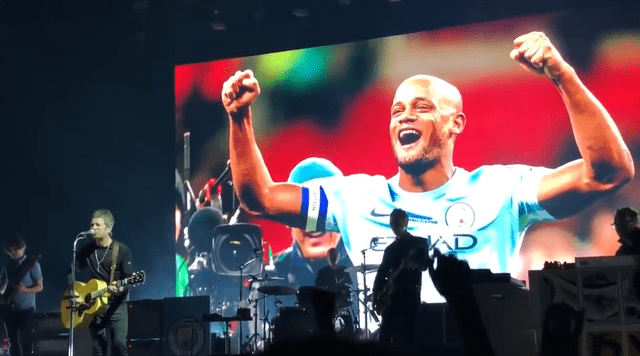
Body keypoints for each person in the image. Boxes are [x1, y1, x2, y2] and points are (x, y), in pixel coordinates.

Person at [221, 31, 635, 304]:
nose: (404, 117)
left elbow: (607, 172)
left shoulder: (501, 191)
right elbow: (260, 197)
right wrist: (240, 119)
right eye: (396, 110)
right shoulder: (355, 197)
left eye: (421, 108)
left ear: (456, 123)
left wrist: (562, 75)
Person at [273, 157, 351, 289]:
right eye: (303, 208)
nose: (313, 222)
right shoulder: (271, 274)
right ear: (287, 220)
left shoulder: (373, 266)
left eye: (323, 207)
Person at [66, 209, 133, 356]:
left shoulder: (122, 250)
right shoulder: (87, 250)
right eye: (92, 224)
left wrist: (120, 288)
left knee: (119, 345)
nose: (93, 228)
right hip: (94, 305)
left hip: (116, 305)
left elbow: (130, 279)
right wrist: (75, 291)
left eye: (97, 225)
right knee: (97, 348)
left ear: (108, 229)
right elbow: (70, 271)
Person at [372, 209, 429, 351]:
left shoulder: (419, 243)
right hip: (392, 297)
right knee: (385, 334)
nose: (394, 226)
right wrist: (375, 295)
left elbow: (425, 265)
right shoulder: (390, 249)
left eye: (397, 222)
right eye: (392, 223)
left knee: (409, 336)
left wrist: (413, 264)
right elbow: (381, 274)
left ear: (406, 222)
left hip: (410, 295)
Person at [0, 238, 43, 356]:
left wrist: (25, 290)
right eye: (11, 249)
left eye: (16, 248)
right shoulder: (7, 266)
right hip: (9, 310)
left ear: (22, 248)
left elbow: (40, 287)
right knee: (12, 343)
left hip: (26, 310)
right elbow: (2, 285)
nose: (13, 251)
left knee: (26, 343)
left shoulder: (33, 265)